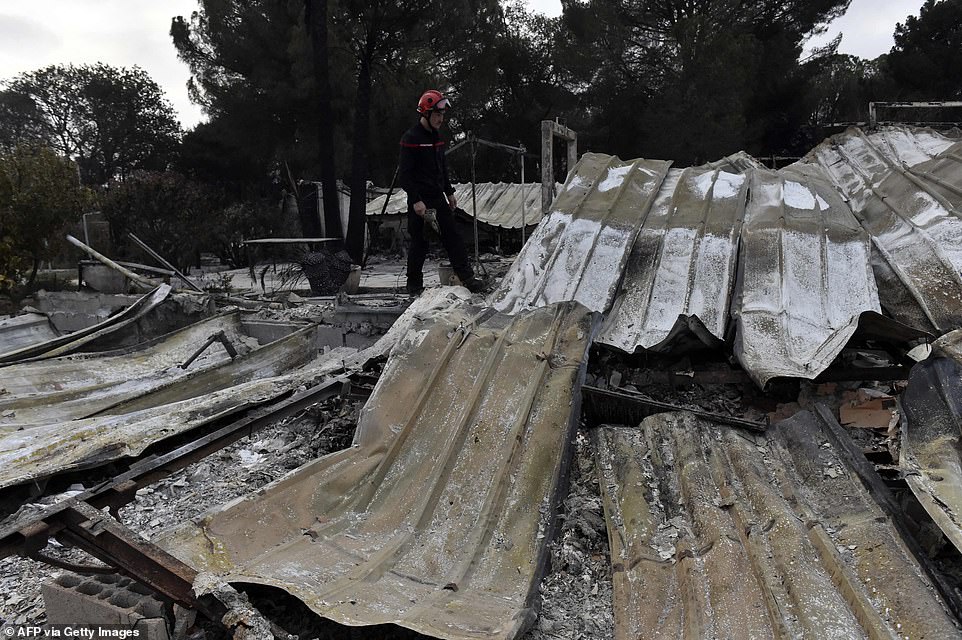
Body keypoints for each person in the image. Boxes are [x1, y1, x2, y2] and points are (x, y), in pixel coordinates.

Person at [398, 89, 483, 295]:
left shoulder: (437, 138)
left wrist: (449, 192)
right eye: (437, 114)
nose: (441, 119)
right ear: (426, 113)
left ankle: (468, 279)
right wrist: (416, 201)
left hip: (437, 197)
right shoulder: (411, 138)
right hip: (420, 200)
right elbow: (405, 176)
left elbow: (442, 167)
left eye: (443, 115)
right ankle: (414, 286)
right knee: (420, 243)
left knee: (453, 237)